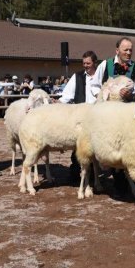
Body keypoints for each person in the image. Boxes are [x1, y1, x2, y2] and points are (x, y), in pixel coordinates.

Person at [91, 37, 135, 196]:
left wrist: (131, 95)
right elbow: (95, 85)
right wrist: (103, 96)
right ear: (117, 50)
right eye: (125, 50)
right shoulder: (105, 65)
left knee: (128, 146)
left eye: (131, 50)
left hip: (127, 116)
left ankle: (131, 181)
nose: (129, 53)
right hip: (108, 115)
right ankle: (117, 179)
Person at [59, 51, 99, 180]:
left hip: (97, 117)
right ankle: (76, 170)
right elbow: (67, 95)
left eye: (88, 63)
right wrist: (57, 103)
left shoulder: (101, 76)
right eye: (84, 63)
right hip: (80, 118)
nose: (85, 66)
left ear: (95, 63)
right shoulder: (77, 76)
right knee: (78, 146)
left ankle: (93, 174)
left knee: (95, 148)